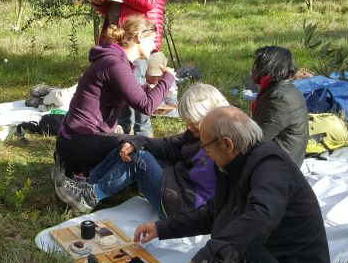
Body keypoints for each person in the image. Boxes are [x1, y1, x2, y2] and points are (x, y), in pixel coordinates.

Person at [90, 106, 330, 263]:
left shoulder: (272, 165)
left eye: (205, 146)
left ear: (227, 144)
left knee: (243, 253)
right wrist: (162, 228)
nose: (204, 154)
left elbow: (260, 218)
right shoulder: (232, 165)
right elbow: (214, 213)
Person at [54, 83, 229, 216]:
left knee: (138, 158)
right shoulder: (198, 133)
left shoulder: (222, 147)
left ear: (210, 115)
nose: (189, 125)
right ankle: (87, 185)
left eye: (194, 121)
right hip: (175, 186)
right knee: (129, 147)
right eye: (188, 121)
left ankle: (88, 197)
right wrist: (135, 141)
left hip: (182, 208)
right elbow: (169, 145)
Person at [53, 17, 175, 184]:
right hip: (78, 143)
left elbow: (133, 95)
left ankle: (87, 172)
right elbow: (146, 105)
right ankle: (85, 181)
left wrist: (149, 88)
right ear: (139, 37)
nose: (155, 47)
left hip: (77, 140)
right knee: (139, 146)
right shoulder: (114, 64)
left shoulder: (116, 60)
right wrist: (168, 78)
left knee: (135, 148)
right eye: (152, 41)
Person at [89, 0, 168, 137]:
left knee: (139, 91)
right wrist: (100, 3)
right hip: (119, 40)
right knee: (119, 91)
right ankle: (122, 136)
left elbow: (149, 1)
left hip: (138, 41)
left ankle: (144, 140)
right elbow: (119, 5)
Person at [248, 46, 309, 166]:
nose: (254, 69)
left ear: (269, 67)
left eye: (257, 64)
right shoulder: (277, 89)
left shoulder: (280, 98)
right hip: (277, 153)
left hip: (280, 163)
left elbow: (260, 137)